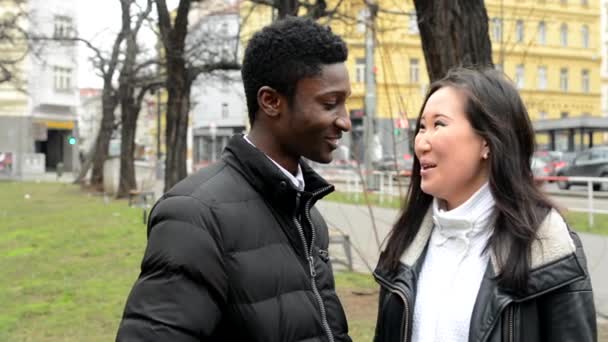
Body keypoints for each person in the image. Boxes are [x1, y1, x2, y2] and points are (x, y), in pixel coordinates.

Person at [116, 17, 353, 341]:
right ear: (271, 101)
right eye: (330, 103)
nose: (345, 121)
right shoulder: (194, 216)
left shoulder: (308, 215)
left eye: (345, 102)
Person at [373, 67, 596, 342]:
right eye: (421, 127)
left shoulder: (546, 244)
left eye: (438, 124)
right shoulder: (408, 241)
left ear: (487, 141)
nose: (421, 143)